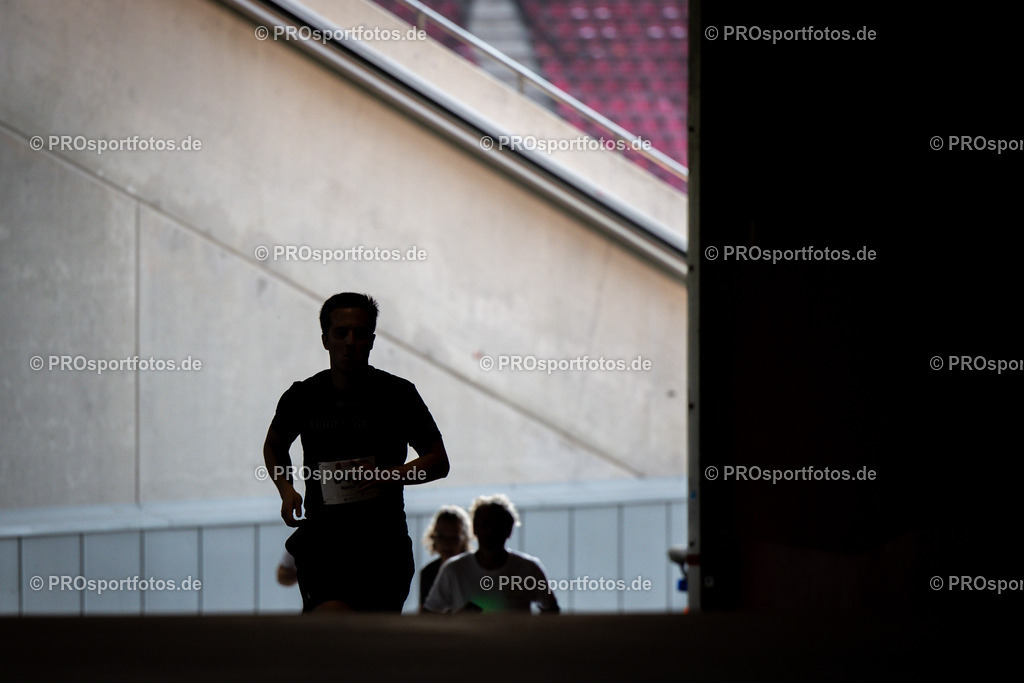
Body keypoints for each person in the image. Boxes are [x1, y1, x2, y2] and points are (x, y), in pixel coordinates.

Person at [263, 292, 450, 612]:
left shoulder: (398, 394)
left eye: (360, 333)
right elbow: (275, 446)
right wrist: (286, 487)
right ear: (325, 339)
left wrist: (389, 477)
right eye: (341, 333)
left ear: (372, 340)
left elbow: (438, 462)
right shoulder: (304, 395)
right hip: (325, 543)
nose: (350, 341)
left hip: (382, 546)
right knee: (332, 627)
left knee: (371, 646)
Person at [423, 494, 559, 614]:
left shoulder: (529, 569)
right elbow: (429, 615)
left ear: (509, 530)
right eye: (485, 524)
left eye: (498, 525)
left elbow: (551, 611)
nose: (490, 531)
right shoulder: (453, 570)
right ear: (474, 529)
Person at [419, 505, 473, 610]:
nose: (447, 544)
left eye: (454, 538)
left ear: (464, 539)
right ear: (434, 537)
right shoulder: (428, 573)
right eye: (442, 537)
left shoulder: (474, 568)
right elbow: (426, 613)